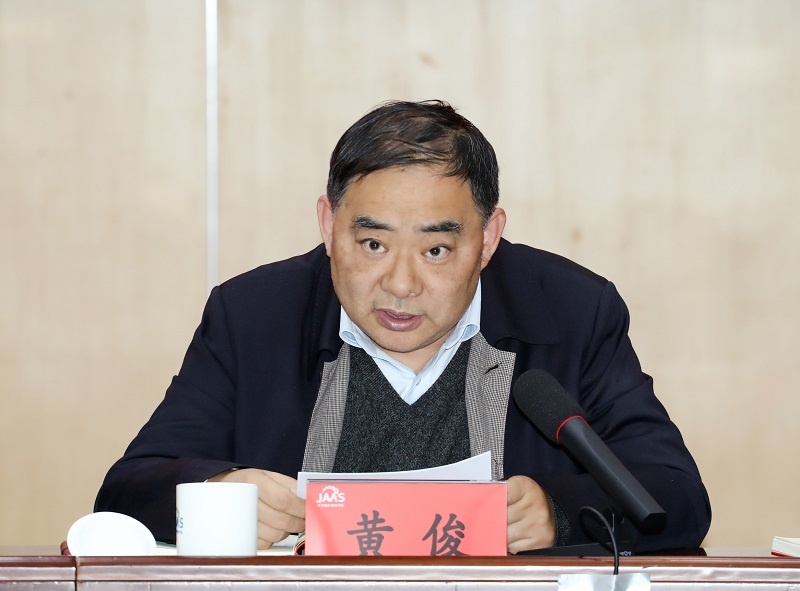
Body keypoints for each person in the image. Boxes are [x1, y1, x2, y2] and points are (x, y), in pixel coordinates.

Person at [95, 100, 711, 554]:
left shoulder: (570, 311)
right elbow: (127, 490)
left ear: (488, 238)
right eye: (372, 244)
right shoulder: (256, 314)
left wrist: (558, 512)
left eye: (436, 251)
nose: (400, 284)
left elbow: (676, 496)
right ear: (328, 225)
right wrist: (220, 493)